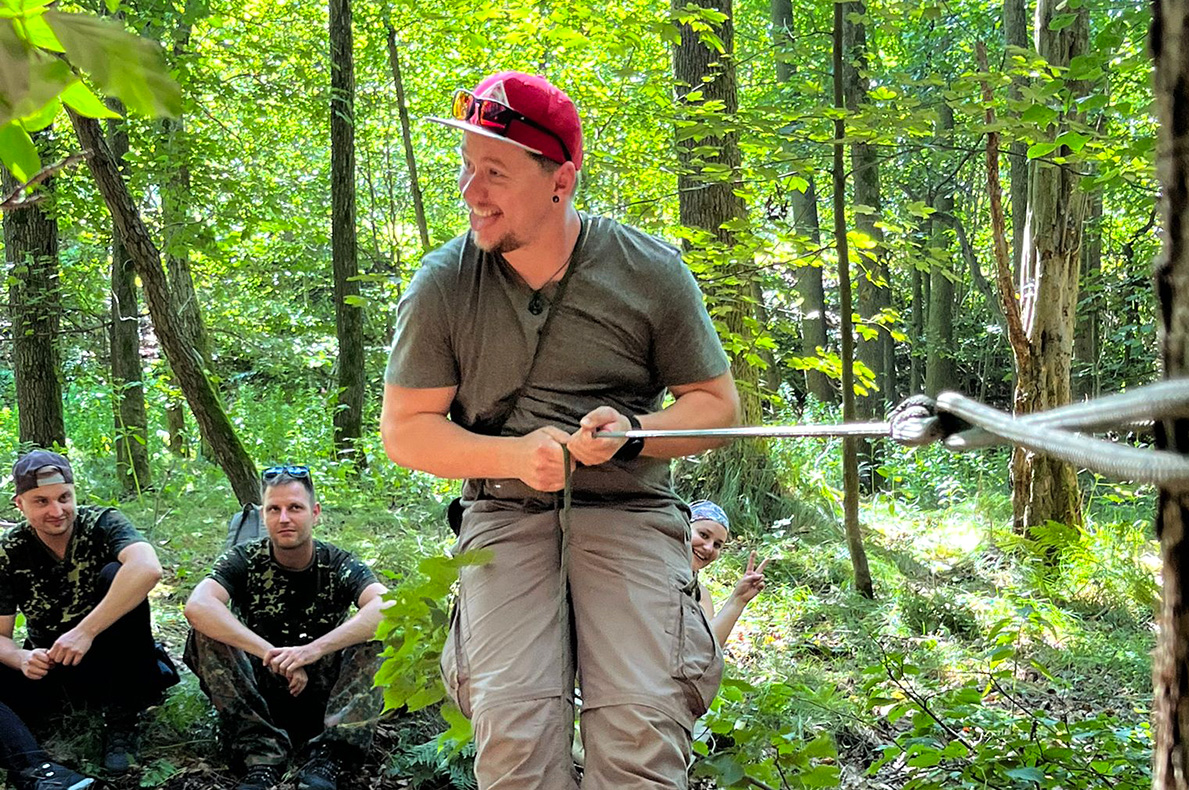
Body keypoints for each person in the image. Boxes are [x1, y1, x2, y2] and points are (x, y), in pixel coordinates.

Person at [381, 71, 740, 790]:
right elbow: (407, 430)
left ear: (561, 181)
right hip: (504, 515)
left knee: (641, 732)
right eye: (466, 167)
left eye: (494, 172)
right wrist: (515, 457)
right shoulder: (443, 284)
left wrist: (635, 432)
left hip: (631, 511)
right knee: (515, 740)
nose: (471, 191)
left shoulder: (649, 272)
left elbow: (715, 407)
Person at [183, 466, 388, 790]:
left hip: (323, 691)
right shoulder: (244, 559)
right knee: (206, 632)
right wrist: (275, 655)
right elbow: (198, 605)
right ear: (263, 516)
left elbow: (387, 607)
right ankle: (260, 755)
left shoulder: (337, 562)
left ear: (315, 513)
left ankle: (332, 754)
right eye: (273, 509)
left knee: (377, 636)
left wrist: (310, 652)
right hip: (260, 686)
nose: (284, 519)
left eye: (295, 508)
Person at [0, 450, 176, 775]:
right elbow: (0, 636)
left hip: (117, 656)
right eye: (41, 501)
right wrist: (20, 658)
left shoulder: (101, 523)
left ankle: (123, 719)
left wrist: (85, 631)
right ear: (19, 504)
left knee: (118, 574)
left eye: (64, 497)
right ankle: (33, 760)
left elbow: (148, 568)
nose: (57, 511)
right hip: (55, 664)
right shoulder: (9, 551)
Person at [687, 500, 769, 646]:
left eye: (717, 545)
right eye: (704, 535)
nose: (708, 548)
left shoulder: (701, 595)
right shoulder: (649, 570)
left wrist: (739, 599)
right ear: (683, 528)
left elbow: (706, 648)